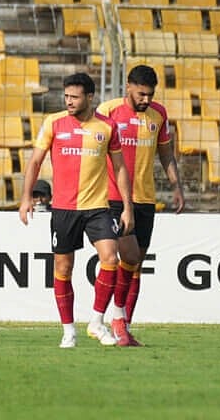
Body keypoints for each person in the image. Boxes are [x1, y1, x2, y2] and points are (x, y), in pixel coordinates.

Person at [19, 72, 134, 349]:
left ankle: (96, 321)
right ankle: (68, 330)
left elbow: (119, 168)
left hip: (98, 208)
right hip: (64, 209)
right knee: (63, 267)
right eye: (66, 96)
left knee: (111, 258)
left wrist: (127, 207)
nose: (68, 101)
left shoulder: (107, 127)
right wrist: (25, 198)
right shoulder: (54, 123)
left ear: (90, 97)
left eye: (74, 97)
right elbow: (35, 162)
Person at [97, 64, 185, 346]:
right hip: (113, 197)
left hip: (145, 198)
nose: (146, 100)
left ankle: (124, 328)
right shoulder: (108, 110)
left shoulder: (158, 114)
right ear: (129, 87)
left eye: (150, 95)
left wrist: (176, 186)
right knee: (130, 255)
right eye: (142, 94)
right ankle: (115, 318)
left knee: (135, 265)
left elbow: (166, 153)